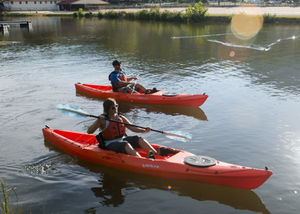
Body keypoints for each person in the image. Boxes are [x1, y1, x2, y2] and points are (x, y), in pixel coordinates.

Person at [87, 98, 157, 158]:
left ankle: (156, 155)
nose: (116, 109)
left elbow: (132, 128)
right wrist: (97, 121)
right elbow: (89, 131)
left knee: (139, 139)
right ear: (107, 109)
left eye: (116, 106)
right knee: (126, 144)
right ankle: (141, 160)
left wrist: (144, 130)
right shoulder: (102, 120)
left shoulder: (121, 117)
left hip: (122, 139)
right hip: (110, 144)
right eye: (113, 107)